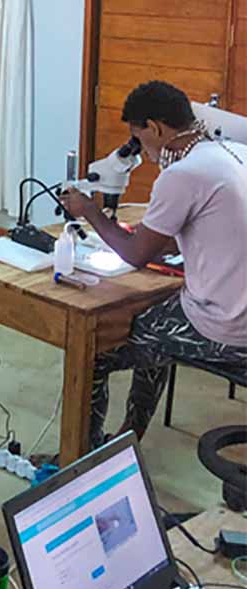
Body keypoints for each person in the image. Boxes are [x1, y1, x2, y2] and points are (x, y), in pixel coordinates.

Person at [61, 80, 247, 452]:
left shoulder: (182, 175)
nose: (141, 149)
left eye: (139, 137)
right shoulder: (233, 152)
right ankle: (130, 438)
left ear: (157, 129)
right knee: (154, 329)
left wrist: (88, 210)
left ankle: (86, 456)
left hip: (226, 326)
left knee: (96, 353)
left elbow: (134, 255)